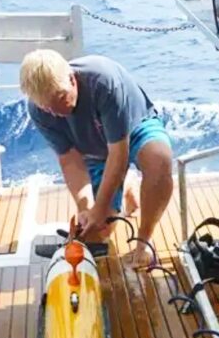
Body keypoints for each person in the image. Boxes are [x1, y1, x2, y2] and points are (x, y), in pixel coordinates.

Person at [20, 49, 173, 268]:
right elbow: (70, 161)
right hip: (93, 149)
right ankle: (126, 185)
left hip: (134, 128)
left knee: (160, 161)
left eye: (60, 99)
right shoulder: (39, 109)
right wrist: (87, 209)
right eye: (47, 107)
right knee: (96, 235)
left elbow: (119, 155)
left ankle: (144, 241)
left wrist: (100, 208)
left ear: (72, 79)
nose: (56, 112)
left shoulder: (103, 82)